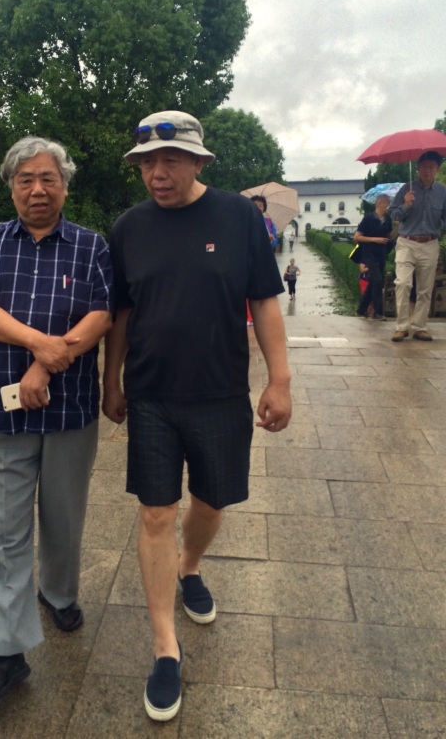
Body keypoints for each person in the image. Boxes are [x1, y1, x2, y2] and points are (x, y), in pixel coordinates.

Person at [102, 110, 291, 722]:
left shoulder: (238, 217)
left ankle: (190, 566)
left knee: (211, 503)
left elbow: (263, 300)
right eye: (147, 164)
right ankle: (164, 648)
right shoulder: (128, 228)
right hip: (152, 394)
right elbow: (121, 314)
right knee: (156, 511)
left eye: (171, 161)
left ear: (199, 162)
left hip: (219, 392)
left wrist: (280, 380)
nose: (157, 173)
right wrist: (112, 379)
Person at [0, 136, 113, 705]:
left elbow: (101, 315)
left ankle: (60, 595)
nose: (37, 189)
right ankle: (10, 648)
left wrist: (47, 365)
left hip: (70, 409)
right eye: (26, 180)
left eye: (48, 178)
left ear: (64, 185)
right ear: (12, 187)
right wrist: (40, 346)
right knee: (7, 531)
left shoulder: (91, 246)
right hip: (2, 407)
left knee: (65, 516)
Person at [389, 151, 446, 341]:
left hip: (430, 243)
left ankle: (420, 326)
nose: (427, 171)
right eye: (424, 167)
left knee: (425, 288)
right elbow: (394, 215)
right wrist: (406, 205)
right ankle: (402, 326)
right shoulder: (407, 188)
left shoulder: (442, 191)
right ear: (418, 168)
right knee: (403, 283)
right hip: (407, 242)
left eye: (432, 167)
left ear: (437, 170)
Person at [353, 193, 393, 321]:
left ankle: (361, 308)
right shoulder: (368, 218)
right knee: (378, 280)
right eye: (386, 203)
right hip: (369, 254)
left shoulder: (388, 220)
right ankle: (377, 311)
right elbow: (357, 237)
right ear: (379, 204)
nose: (388, 206)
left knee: (373, 282)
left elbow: (389, 235)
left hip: (381, 253)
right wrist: (375, 239)